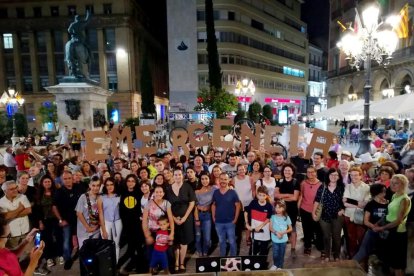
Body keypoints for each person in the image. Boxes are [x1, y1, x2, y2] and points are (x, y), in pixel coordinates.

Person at [374, 175, 412, 276]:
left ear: (403, 185)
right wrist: (378, 223)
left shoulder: (405, 199)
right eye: (392, 183)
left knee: (397, 264)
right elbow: (389, 214)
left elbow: (398, 220)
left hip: (398, 233)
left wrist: (381, 228)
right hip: (390, 230)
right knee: (390, 262)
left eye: (396, 183)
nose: (393, 185)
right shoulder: (394, 195)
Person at [165, 169, 196, 273]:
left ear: (182, 176)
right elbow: (167, 205)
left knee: (184, 241)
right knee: (175, 242)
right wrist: (173, 218)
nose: (177, 176)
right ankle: (176, 263)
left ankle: (182, 263)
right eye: (175, 175)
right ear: (173, 176)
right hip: (173, 218)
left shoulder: (187, 187)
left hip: (186, 218)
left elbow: (192, 203)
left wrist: (184, 218)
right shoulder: (168, 189)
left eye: (179, 174)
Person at [312, 168, 345, 262]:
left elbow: (346, 201)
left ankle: (336, 255)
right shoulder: (322, 187)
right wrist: (313, 212)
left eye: (336, 175)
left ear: (339, 177)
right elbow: (317, 200)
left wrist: (343, 209)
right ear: (328, 176)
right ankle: (327, 254)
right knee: (326, 236)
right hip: (324, 215)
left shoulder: (342, 187)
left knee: (337, 237)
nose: (333, 177)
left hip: (338, 216)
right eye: (331, 175)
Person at [52, 170, 82, 270]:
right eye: (65, 179)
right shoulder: (59, 192)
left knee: (82, 239)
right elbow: (54, 207)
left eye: (69, 178)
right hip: (66, 221)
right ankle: (68, 259)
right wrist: (60, 220)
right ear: (61, 180)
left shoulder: (79, 187)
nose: (68, 180)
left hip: (80, 219)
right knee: (66, 242)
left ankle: (82, 255)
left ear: (72, 178)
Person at [353, 184, 388, 265]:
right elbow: (366, 221)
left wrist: (382, 228)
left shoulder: (388, 202)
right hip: (372, 231)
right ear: (376, 192)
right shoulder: (371, 204)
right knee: (363, 251)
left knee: (384, 254)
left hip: (385, 232)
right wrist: (375, 227)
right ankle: (349, 267)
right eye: (382, 191)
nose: (384, 193)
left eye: (385, 191)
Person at [119, 174, 145, 273]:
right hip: (127, 225)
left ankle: (141, 267)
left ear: (135, 182)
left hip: (138, 225)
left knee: (139, 247)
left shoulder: (139, 193)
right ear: (126, 182)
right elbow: (121, 210)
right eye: (128, 181)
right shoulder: (123, 193)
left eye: (133, 181)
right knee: (130, 248)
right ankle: (132, 264)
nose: (130, 183)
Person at [36, 175, 63, 270]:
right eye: (45, 182)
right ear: (42, 183)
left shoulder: (56, 192)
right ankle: (48, 258)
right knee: (46, 239)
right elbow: (38, 210)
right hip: (45, 219)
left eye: (49, 181)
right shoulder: (39, 194)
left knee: (59, 236)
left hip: (56, 218)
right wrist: (40, 222)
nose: (47, 183)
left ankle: (60, 255)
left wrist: (61, 219)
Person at [343, 167, 370, 258]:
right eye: (351, 175)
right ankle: (352, 257)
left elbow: (365, 204)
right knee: (351, 238)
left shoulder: (366, 187)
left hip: (360, 216)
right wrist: (358, 203)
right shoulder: (348, 186)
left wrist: (351, 201)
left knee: (361, 238)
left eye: (356, 175)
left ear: (361, 176)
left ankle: (361, 258)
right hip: (348, 215)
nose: (353, 177)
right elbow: (345, 203)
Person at [212, 173, 240, 257]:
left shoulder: (233, 192)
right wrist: (213, 217)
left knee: (232, 241)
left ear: (228, 180)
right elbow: (213, 205)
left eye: (225, 179)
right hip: (219, 222)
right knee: (221, 241)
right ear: (219, 180)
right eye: (221, 179)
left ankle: (233, 259)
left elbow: (238, 206)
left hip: (230, 222)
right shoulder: (216, 192)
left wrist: (235, 219)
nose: (223, 181)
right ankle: (223, 259)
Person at [275, 163, 300, 258]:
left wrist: (283, 197)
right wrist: (289, 195)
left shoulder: (295, 182)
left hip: (292, 210)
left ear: (292, 172)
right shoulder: (279, 181)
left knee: (292, 229)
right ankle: (280, 246)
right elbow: (276, 195)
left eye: (289, 170)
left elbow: (295, 198)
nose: (287, 172)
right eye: (285, 170)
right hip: (281, 210)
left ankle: (293, 249)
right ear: (283, 172)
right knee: (280, 228)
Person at [298, 166, 324, 256]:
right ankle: (307, 246)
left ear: (316, 173)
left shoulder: (321, 184)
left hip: (316, 211)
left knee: (318, 229)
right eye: (308, 172)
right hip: (304, 209)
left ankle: (320, 246)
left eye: (312, 172)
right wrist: (298, 208)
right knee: (306, 229)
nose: (310, 174)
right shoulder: (303, 183)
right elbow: (301, 196)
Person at [0, 180, 32, 250]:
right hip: (12, 234)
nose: (15, 190)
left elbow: (28, 210)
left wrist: (11, 214)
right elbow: (6, 217)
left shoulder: (23, 197)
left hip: (25, 231)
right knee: (13, 254)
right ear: (5, 191)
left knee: (27, 253)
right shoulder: (1, 202)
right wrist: (20, 209)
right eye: (12, 189)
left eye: (16, 187)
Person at [98, 177, 122, 261]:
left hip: (118, 222)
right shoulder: (101, 197)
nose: (109, 187)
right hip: (106, 222)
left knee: (116, 244)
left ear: (115, 185)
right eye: (107, 185)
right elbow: (100, 214)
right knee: (106, 244)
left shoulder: (119, 196)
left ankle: (115, 264)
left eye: (111, 184)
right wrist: (103, 229)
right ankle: (108, 263)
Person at [244, 186, 272, 256]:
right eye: (260, 195)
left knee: (263, 253)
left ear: (266, 196)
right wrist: (247, 224)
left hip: (265, 233)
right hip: (254, 233)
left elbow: (268, 218)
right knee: (252, 252)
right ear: (257, 195)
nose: (261, 197)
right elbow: (246, 212)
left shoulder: (269, 206)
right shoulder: (253, 203)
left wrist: (260, 226)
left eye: (263, 195)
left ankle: (262, 265)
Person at [194, 172, 216, 256]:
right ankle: (199, 252)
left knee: (207, 238)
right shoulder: (197, 191)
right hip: (198, 215)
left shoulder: (214, 189)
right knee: (198, 237)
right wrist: (196, 219)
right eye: (202, 179)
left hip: (207, 215)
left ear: (209, 179)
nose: (204, 181)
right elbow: (195, 207)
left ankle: (205, 252)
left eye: (206, 178)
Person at [75, 176, 101, 248]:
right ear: (89, 185)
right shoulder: (83, 197)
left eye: (98, 185)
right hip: (83, 230)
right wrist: (87, 227)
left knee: (94, 250)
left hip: (96, 230)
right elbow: (79, 213)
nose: (95, 188)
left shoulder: (100, 197)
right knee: (84, 251)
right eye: (93, 185)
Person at [269, 200, 292, 270]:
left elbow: (290, 229)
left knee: (281, 254)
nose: (278, 209)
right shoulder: (272, 217)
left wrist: (283, 233)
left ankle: (280, 266)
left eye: (280, 207)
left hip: (283, 240)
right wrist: (276, 233)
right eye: (276, 207)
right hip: (275, 239)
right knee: (275, 254)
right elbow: (270, 228)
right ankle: (275, 265)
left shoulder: (286, 217)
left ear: (283, 208)